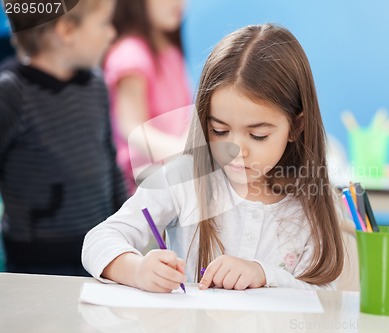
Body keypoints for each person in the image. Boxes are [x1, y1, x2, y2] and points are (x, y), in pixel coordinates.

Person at [82, 24, 359, 291]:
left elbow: (324, 293)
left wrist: (263, 274)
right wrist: (137, 270)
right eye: (220, 130)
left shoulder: (311, 204)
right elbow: (98, 239)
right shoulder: (183, 181)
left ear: (296, 127)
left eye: (258, 135)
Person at [0, 0, 127, 276]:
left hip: (98, 253)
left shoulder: (95, 84)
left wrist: (125, 222)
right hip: (36, 264)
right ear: (67, 30)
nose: (112, 33)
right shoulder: (12, 93)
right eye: (104, 22)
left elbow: (108, 160)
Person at [104, 0, 192, 192]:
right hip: (146, 189)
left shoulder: (169, 49)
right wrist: (185, 155)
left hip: (176, 181)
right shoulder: (130, 55)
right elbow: (131, 128)